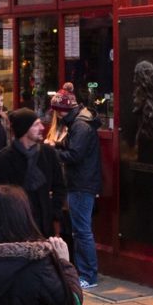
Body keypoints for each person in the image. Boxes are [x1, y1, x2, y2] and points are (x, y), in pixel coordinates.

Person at [50, 84, 102, 289]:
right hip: (82, 181)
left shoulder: (79, 125)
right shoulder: (80, 121)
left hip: (81, 183)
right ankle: (86, 272)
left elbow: (75, 155)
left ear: (63, 110)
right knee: (80, 229)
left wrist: (53, 151)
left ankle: (88, 275)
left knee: (81, 231)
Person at [0, 108, 66, 238]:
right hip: (16, 227)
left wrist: (54, 213)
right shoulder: (3, 159)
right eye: (36, 125)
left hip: (44, 224)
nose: (42, 127)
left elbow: (60, 186)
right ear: (24, 129)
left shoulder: (48, 154)